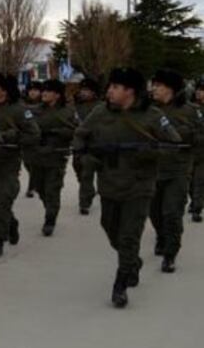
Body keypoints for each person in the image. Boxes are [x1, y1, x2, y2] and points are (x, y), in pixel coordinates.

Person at [72, 67, 181, 308]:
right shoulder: (100, 112)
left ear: (129, 91)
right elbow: (81, 135)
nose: (109, 91)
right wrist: (84, 155)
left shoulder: (152, 116)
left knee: (129, 236)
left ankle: (120, 285)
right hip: (109, 184)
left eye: (115, 87)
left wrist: (148, 153)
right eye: (109, 87)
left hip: (139, 186)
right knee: (111, 230)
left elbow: (174, 144)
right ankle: (132, 262)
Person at [148, 69, 202, 273]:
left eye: (159, 85)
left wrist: (184, 135)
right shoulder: (149, 110)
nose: (154, 89)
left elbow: (200, 136)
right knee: (154, 212)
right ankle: (161, 236)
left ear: (170, 89)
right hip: (153, 169)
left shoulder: (190, 110)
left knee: (172, 213)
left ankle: (170, 254)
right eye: (154, 85)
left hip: (178, 170)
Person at [0, 72, 40, 257]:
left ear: (5, 91)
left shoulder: (20, 110)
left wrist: (13, 136)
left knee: (3, 200)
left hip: (9, 163)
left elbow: (34, 134)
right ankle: (11, 222)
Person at [31, 79, 77, 236]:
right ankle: (49, 206)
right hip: (37, 155)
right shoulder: (35, 110)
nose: (43, 93)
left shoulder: (68, 112)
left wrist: (55, 132)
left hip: (56, 154)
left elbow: (75, 131)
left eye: (48, 90)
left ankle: (50, 218)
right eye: (43, 90)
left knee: (52, 189)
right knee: (40, 188)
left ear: (57, 94)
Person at [72, 77, 101, 214]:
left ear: (94, 92)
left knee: (87, 173)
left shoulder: (101, 106)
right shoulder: (75, 105)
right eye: (82, 90)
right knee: (79, 169)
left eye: (87, 90)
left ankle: (84, 203)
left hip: (95, 144)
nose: (84, 93)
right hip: (79, 144)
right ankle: (89, 191)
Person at [23, 80, 44, 198]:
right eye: (31, 90)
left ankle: (31, 187)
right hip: (26, 137)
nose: (32, 93)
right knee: (27, 162)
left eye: (35, 90)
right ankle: (36, 180)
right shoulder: (23, 104)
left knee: (34, 163)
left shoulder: (44, 105)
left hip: (40, 138)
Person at [190, 78, 204, 223]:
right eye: (198, 90)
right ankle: (193, 200)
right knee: (191, 181)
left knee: (200, 180)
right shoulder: (192, 108)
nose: (199, 93)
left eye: (202, 90)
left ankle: (196, 209)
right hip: (191, 150)